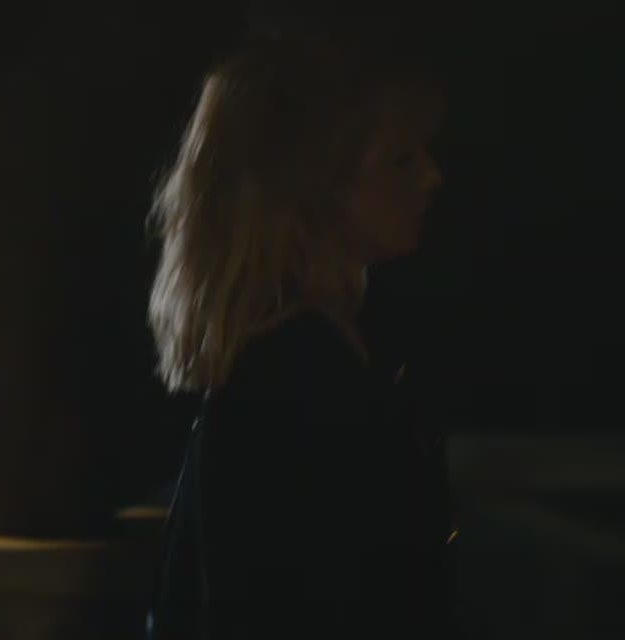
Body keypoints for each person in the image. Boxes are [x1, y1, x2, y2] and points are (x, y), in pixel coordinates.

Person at [144, 33, 456, 639]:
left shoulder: (338, 351)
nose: (431, 176)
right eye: (400, 159)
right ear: (314, 186)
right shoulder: (288, 383)